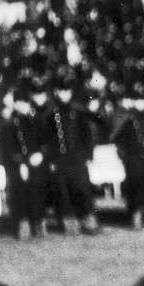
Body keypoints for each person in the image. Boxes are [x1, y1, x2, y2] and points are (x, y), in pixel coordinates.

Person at [41, 71, 100, 235]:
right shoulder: (50, 115)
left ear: (71, 92)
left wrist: (88, 156)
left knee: (82, 190)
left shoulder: (79, 112)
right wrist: (51, 159)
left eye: (67, 91)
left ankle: (88, 221)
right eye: (61, 91)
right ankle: (69, 223)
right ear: (56, 92)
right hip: (60, 159)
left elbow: (87, 136)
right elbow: (46, 140)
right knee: (63, 193)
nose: (64, 94)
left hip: (77, 158)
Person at [111, 84, 144, 229]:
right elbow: (117, 138)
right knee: (135, 187)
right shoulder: (125, 117)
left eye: (143, 100)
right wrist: (135, 149)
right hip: (133, 157)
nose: (141, 103)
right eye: (138, 100)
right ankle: (136, 216)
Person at [0, 82, 48, 239]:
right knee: (19, 190)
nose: (23, 106)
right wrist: (20, 164)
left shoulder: (37, 122)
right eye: (19, 103)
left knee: (38, 188)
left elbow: (44, 143)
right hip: (16, 166)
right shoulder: (9, 126)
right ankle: (22, 224)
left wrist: (40, 155)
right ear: (15, 105)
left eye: (26, 103)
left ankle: (38, 222)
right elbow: (6, 151)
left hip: (36, 164)